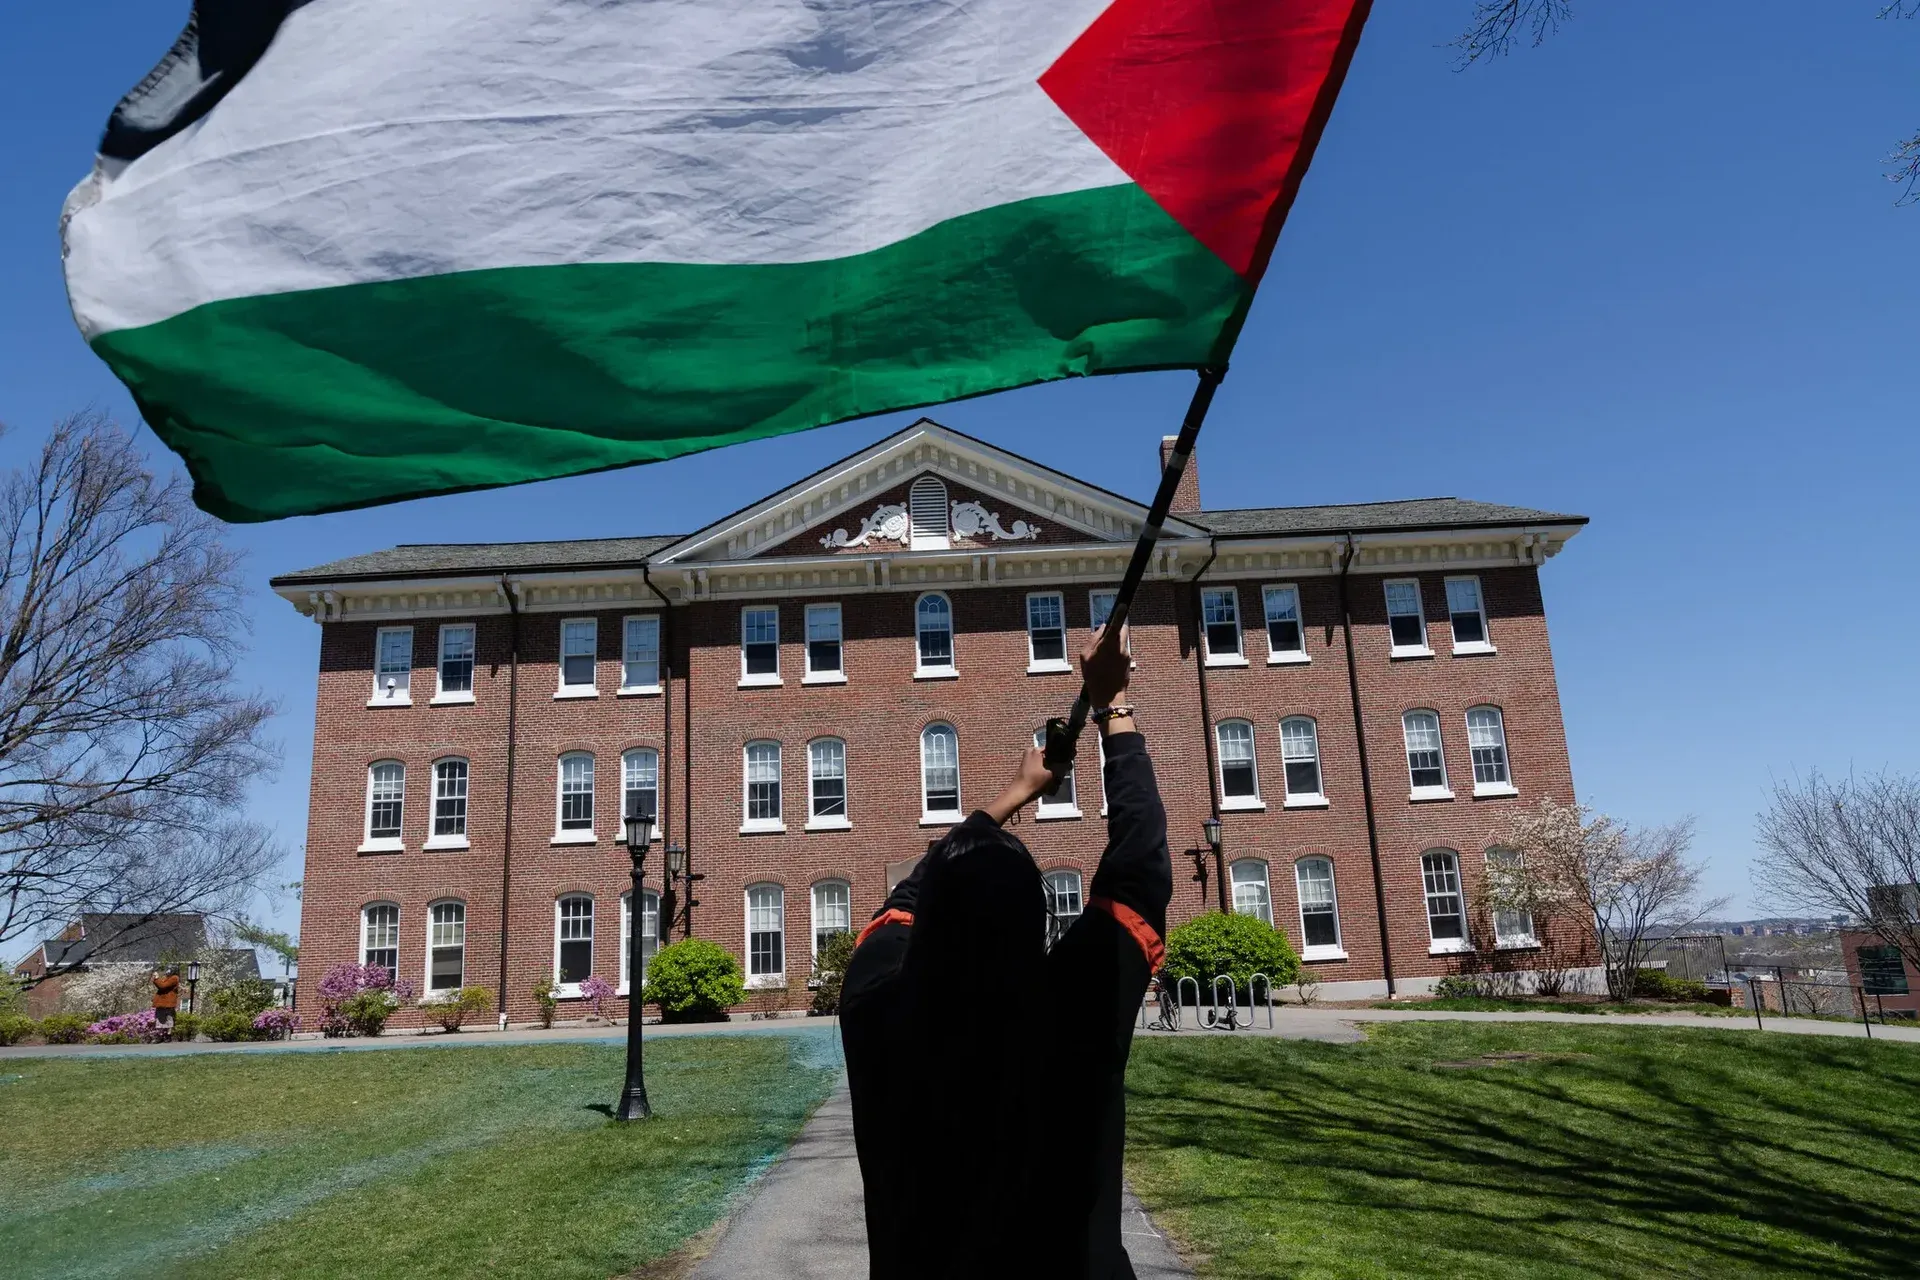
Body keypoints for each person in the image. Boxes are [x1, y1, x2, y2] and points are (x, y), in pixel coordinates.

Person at [840, 622, 1171, 1278]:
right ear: (1036, 923)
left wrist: (1004, 801)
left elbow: (911, 892)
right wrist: (1113, 707)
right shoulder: (1071, 1010)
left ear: (927, 920)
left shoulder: (874, 1009)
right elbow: (1140, 863)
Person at [152, 964, 180, 1031]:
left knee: (168, 1020)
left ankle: (168, 1036)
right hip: (162, 1003)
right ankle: (161, 1036)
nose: (167, 971)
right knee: (160, 1020)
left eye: (169, 969)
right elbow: (161, 985)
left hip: (167, 1003)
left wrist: (157, 978)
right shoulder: (167, 978)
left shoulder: (174, 978)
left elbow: (162, 986)